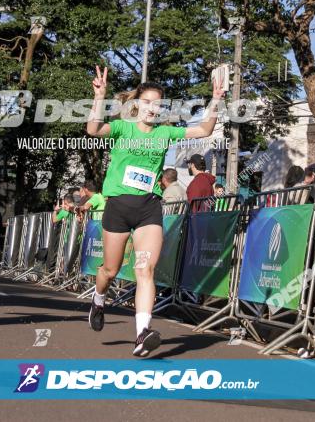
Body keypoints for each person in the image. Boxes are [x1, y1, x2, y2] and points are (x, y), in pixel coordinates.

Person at [85, 66, 225, 357]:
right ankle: (99, 299)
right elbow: (93, 129)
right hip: (118, 206)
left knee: (144, 269)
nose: (153, 108)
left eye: (158, 105)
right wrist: (99, 97)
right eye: (147, 102)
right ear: (136, 103)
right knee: (109, 271)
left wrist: (216, 99)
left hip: (149, 207)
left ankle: (142, 334)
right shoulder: (123, 127)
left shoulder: (165, 132)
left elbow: (204, 129)